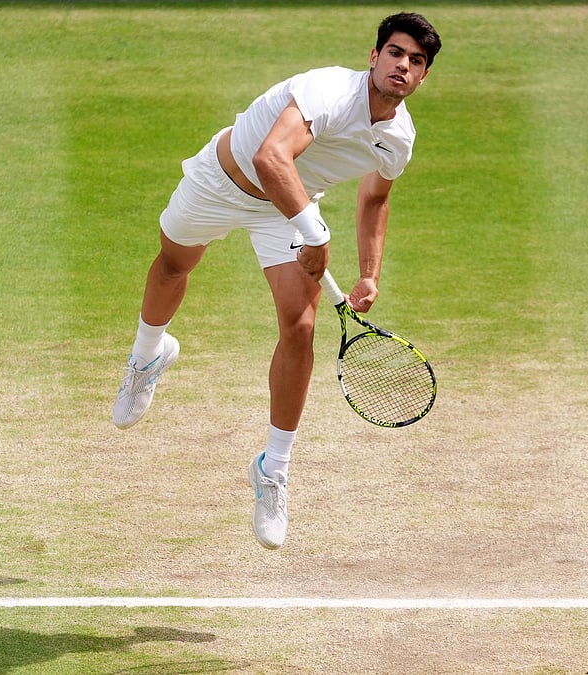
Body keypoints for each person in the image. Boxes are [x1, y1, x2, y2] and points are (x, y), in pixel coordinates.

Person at [112, 13, 442, 550]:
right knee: (174, 265)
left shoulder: (398, 140)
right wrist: (315, 233)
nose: (403, 65)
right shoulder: (328, 91)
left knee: (301, 326)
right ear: (374, 57)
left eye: (416, 61)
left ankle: (273, 468)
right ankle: (148, 355)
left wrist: (368, 273)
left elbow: (375, 197)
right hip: (223, 181)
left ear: (423, 77)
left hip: (286, 211)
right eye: (395, 53)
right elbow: (270, 157)